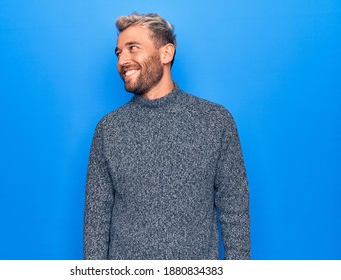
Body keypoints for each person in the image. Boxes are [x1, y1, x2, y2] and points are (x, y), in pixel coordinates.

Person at [83, 12, 250, 260]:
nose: (122, 61)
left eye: (133, 48)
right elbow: (96, 222)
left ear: (166, 53)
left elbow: (234, 209)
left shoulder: (215, 121)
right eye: (119, 53)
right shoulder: (108, 129)